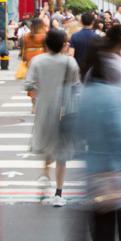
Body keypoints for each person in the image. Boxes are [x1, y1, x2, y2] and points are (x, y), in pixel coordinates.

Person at [77, 36, 121, 241]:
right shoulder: (116, 95)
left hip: (95, 174)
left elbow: (76, 131)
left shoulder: (83, 96)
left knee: (103, 233)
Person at [26, 29, 80, 207]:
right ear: (63, 44)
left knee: (47, 144)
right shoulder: (69, 62)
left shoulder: (37, 61)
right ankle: (58, 193)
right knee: (62, 152)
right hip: (65, 109)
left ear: (46, 44)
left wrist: (40, 90)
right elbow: (76, 86)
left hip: (44, 108)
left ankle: (44, 174)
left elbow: (28, 84)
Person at [22, 18, 47, 113]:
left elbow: (23, 48)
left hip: (30, 58)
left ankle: (34, 105)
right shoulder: (44, 36)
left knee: (32, 81)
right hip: (41, 57)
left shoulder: (27, 36)